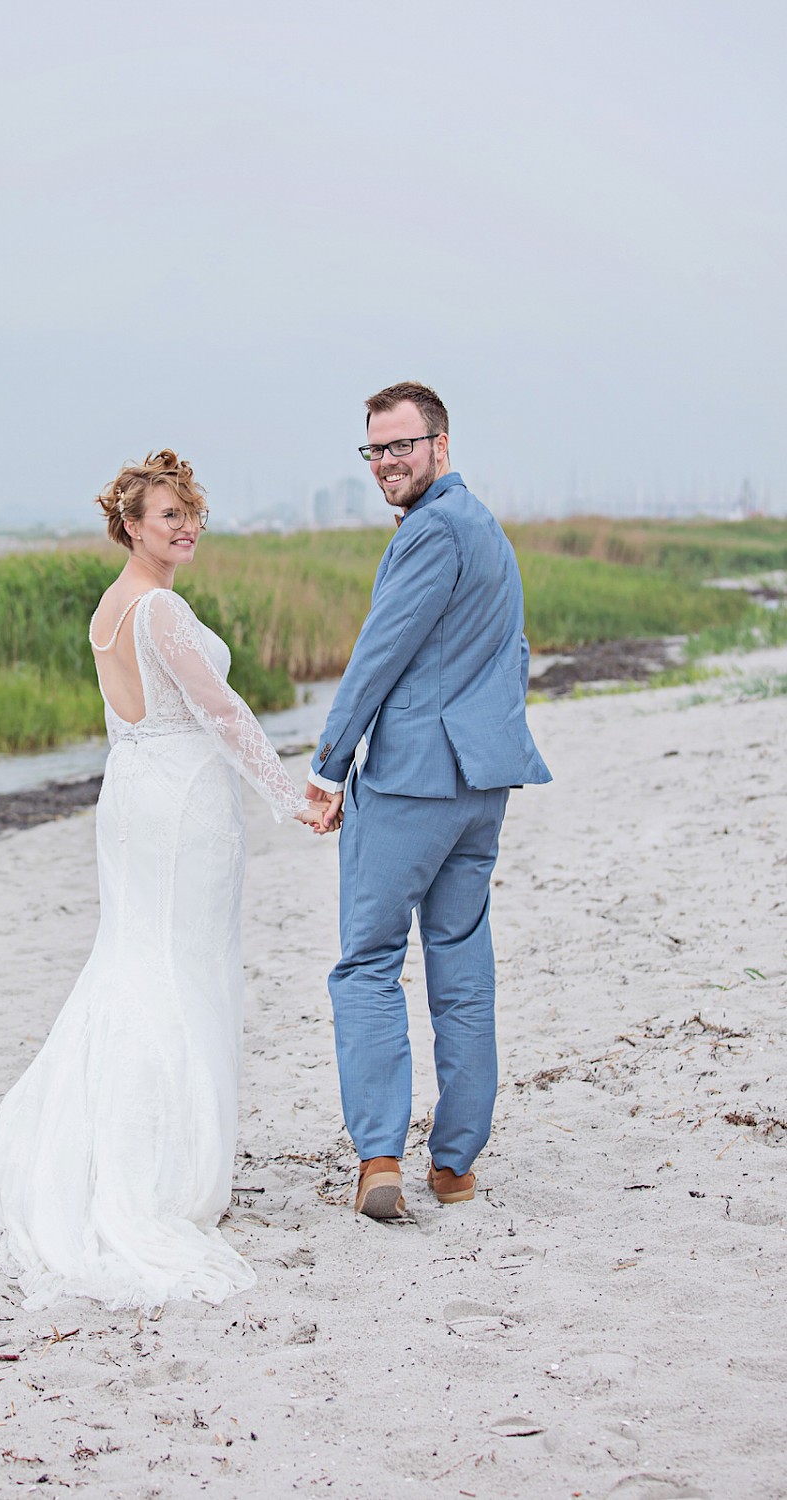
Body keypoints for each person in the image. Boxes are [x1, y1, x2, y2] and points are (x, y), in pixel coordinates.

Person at [0, 449, 325, 1310]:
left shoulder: (107, 608)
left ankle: (96, 1155)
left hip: (131, 798)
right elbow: (222, 711)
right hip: (181, 806)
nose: (186, 525)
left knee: (132, 960)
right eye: (168, 516)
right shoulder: (157, 608)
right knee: (174, 972)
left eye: (191, 511)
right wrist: (292, 796)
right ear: (130, 525)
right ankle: (153, 1174)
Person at [305, 383, 551, 1220]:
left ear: (440, 444)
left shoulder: (434, 530)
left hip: (414, 781)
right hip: (481, 789)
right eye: (374, 450)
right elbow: (512, 652)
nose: (386, 464)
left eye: (400, 446)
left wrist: (328, 767)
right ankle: (455, 1164)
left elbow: (378, 655)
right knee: (461, 965)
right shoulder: (486, 529)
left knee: (368, 962)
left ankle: (379, 1160)